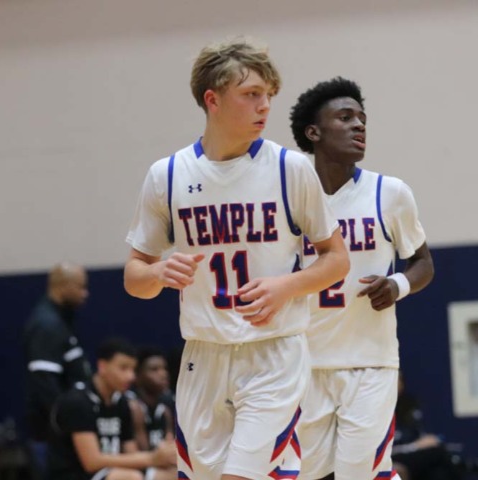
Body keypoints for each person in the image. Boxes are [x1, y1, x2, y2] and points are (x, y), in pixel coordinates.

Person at [124, 39, 350, 480]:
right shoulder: (167, 175)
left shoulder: (289, 169)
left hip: (274, 352)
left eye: (268, 95)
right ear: (213, 99)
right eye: (251, 94)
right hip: (202, 355)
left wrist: (286, 286)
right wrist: (158, 272)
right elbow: (135, 277)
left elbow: (336, 259)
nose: (265, 106)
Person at [289, 77, 435, 479]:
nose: (358, 125)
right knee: (301, 473)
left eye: (362, 119)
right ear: (313, 132)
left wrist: (398, 285)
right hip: (302, 363)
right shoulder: (288, 198)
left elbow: (423, 262)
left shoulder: (390, 192)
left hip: (370, 363)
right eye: (345, 117)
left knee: (362, 473)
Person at [48, 338, 177, 480]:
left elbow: (131, 453)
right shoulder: (78, 401)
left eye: (132, 370)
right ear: (102, 366)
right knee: (130, 478)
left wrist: (164, 455)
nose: (130, 376)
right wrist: (151, 458)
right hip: (76, 474)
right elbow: (92, 462)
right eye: (123, 368)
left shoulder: (121, 403)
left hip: (112, 471)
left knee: (173, 474)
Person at [22, 262, 92, 474]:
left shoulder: (60, 321)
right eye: (81, 287)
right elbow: (44, 382)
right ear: (63, 286)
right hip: (52, 436)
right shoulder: (47, 325)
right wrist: (67, 421)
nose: (85, 294)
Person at [392, 371, 462, 480]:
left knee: (439, 473)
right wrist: (414, 446)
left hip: (414, 453)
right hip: (395, 455)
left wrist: (425, 442)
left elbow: (418, 432)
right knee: (439, 453)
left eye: (399, 379)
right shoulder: (378, 410)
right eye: (394, 378)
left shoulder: (408, 405)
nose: (397, 383)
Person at [126, 347, 175, 451]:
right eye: (154, 369)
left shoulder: (165, 409)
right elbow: (143, 452)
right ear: (137, 375)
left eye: (164, 369)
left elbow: (170, 447)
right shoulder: (132, 406)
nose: (163, 374)